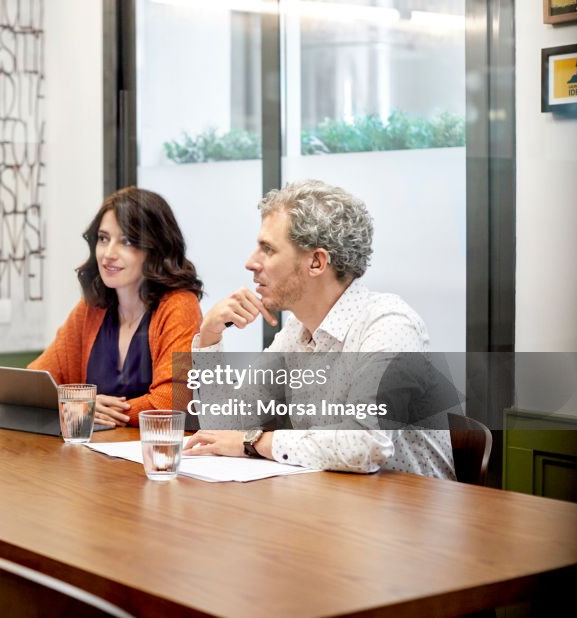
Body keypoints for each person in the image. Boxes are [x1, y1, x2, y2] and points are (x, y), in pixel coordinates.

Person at [184, 179, 455, 479]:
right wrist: (209, 338)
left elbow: (366, 443)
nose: (250, 263)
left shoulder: (390, 325)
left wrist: (254, 441)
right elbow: (221, 429)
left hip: (411, 516)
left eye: (268, 249)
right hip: (336, 507)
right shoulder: (295, 332)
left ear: (316, 262)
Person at [29, 187, 203, 427]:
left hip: (153, 455)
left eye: (127, 241)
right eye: (103, 238)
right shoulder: (92, 307)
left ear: (155, 248)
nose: (108, 254)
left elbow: (171, 403)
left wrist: (83, 408)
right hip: (93, 456)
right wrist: (80, 404)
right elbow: (36, 384)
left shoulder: (179, 305)